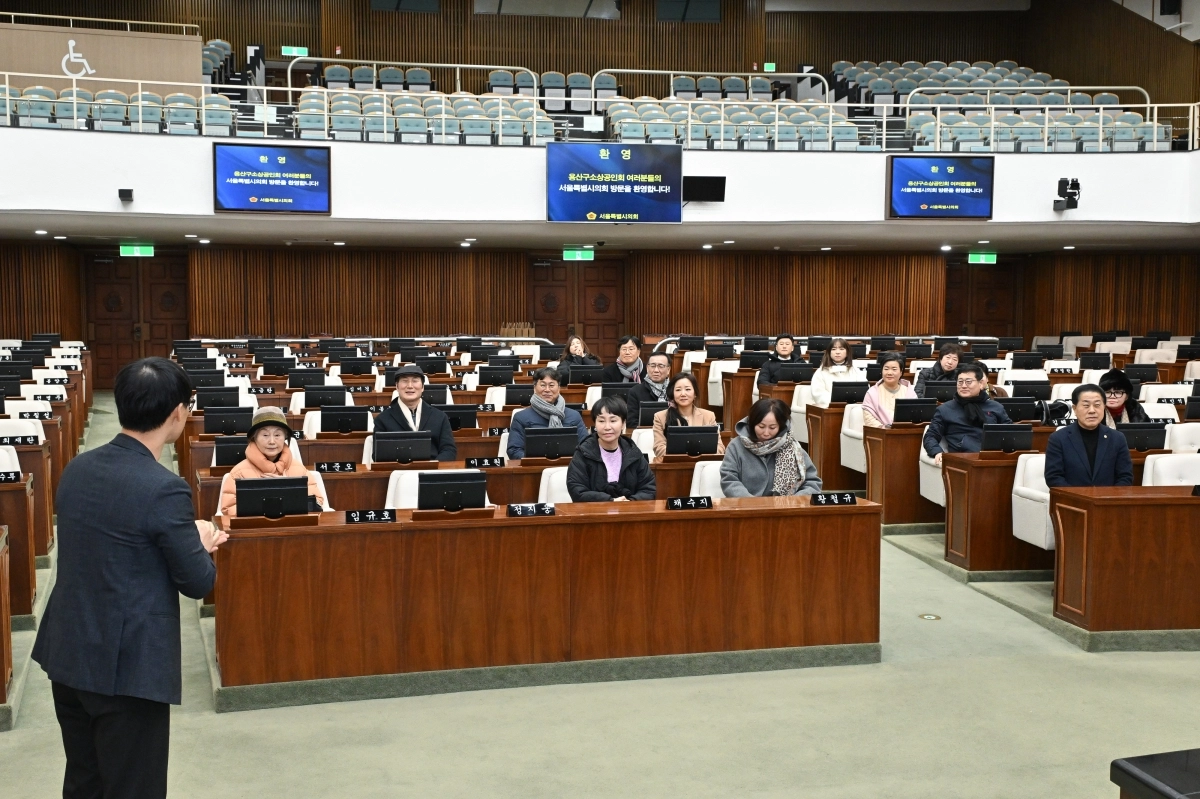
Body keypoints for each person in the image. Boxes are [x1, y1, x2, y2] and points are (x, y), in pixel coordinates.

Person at [32, 357, 227, 799]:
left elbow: (113, 548)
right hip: (127, 667)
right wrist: (200, 540)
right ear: (177, 412)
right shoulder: (164, 488)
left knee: (85, 781)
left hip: (70, 651)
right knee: (133, 787)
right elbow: (197, 582)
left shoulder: (78, 467)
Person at [219, 407, 327, 517]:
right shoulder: (239, 473)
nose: (271, 441)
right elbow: (228, 510)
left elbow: (317, 504)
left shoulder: (299, 469)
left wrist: (288, 487)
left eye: (277, 435)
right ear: (254, 438)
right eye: (265, 435)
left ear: (285, 437)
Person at [721, 397, 822, 497]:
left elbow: (812, 483)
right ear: (751, 423)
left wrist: (793, 501)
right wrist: (751, 503)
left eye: (772, 427)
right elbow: (729, 480)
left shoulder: (792, 447)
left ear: (781, 426)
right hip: (746, 509)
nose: (766, 433)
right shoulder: (736, 446)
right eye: (761, 426)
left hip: (785, 509)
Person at [566, 396, 656, 502]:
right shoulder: (583, 453)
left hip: (629, 513)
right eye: (601, 421)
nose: (607, 427)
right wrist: (610, 501)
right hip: (594, 515)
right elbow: (577, 491)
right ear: (595, 424)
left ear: (623, 424)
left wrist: (630, 502)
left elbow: (649, 489)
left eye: (613, 420)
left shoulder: (633, 452)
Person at [1044, 384, 1134, 487]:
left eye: (1097, 405)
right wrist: (1080, 498)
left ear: (1104, 407)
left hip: (1106, 500)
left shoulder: (1118, 438)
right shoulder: (1058, 439)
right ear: (1074, 408)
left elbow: (1125, 477)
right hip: (1072, 501)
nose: (1092, 411)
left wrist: (1109, 498)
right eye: (1086, 406)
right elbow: (1054, 478)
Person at [923, 363, 1013, 464]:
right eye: (960, 382)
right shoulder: (945, 409)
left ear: (980, 383)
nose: (964, 386)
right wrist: (937, 452)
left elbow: (1010, 433)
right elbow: (930, 436)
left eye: (969, 382)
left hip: (993, 458)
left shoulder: (996, 407)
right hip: (962, 460)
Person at [373, 364, 457, 460]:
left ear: (422, 387)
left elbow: (449, 450)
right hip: (398, 472)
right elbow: (377, 454)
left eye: (415, 381)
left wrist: (432, 466)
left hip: (431, 471)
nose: (410, 386)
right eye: (404, 381)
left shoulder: (440, 417)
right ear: (397, 386)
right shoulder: (382, 419)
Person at [507, 366, 588, 459]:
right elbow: (514, 450)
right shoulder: (521, 417)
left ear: (559, 388)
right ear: (534, 388)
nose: (547, 390)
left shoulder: (574, 416)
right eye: (543, 385)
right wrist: (534, 460)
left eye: (551, 385)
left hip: (569, 468)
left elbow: (586, 447)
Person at [651, 372, 725, 461]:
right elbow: (659, 449)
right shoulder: (660, 417)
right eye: (678, 390)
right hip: (674, 467)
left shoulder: (709, 416)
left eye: (688, 389)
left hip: (702, 464)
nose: (683, 394)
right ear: (672, 394)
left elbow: (720, 448)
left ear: (695, 393)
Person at [862, 352, 916, 427]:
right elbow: (869, 419)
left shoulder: (909, 392)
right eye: (886, 369)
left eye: (894, 369)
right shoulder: (872, 393)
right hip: (880, 434)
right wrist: (885, 429)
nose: (889, 373)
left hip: (904, 432)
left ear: (901, 372)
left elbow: (915, 416)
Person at [809, 337, 866, 408]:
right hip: (830, 408)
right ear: (829, 352)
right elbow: (818, 393)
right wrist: (835, 401)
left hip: (853, 407)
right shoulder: (821, 371)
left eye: (841, 349)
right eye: (834, 349)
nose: (837, 352)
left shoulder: (854, 370)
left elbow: (863, 388)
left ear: (847, 352)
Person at [625, 351, 671, 426]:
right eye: (652, 366)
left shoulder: (675, 390)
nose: (656, 370)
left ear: (668, 369)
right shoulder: (635, 391)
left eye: (661, 366)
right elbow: (631, 422)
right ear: (647, 368)